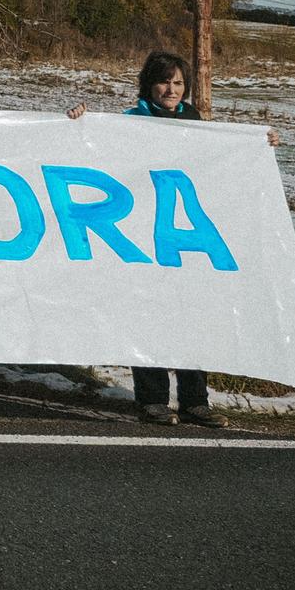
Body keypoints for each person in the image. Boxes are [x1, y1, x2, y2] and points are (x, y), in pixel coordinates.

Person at [68, 49, 229, 429]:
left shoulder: (196, 122)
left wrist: (260, 142)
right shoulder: (131, 121)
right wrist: (80, 123)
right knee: (149, 315)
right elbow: (97, 154)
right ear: (148, 85)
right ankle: (153, 401)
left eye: (178, 83)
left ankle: (195, 402)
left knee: (191, 317)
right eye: (164, 81)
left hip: (185, 240)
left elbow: (220, 164)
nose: (171, 89)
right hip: (140, 236)